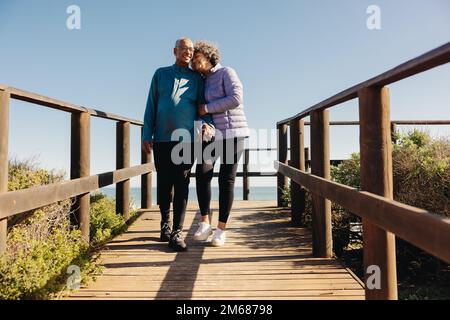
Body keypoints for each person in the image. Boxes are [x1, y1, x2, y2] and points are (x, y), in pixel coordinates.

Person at [142, 38, 214, 252]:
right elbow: (151, 105)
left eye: (191, 50)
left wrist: (208, 125)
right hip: (162, 137)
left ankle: (177, 232)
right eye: (184, 49)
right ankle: (164, 226)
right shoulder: (160, 74)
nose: (188, 52)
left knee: (182, 183)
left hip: (187, 139)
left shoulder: (197, 79)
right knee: (164, 183)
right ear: (175, 51)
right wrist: (147, 133)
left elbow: (204, 108)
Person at [191, 40, 249, 247]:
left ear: (209, 57)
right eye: (193, 61)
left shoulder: (227, 72)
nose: (194, 64)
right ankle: (204, 222)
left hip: (234, 133)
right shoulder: (200, 79)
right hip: (211, 135)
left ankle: (221, 230)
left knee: (227, 180)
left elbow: (236, 99)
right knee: (202, 172)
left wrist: (206, 108)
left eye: (198, 60)